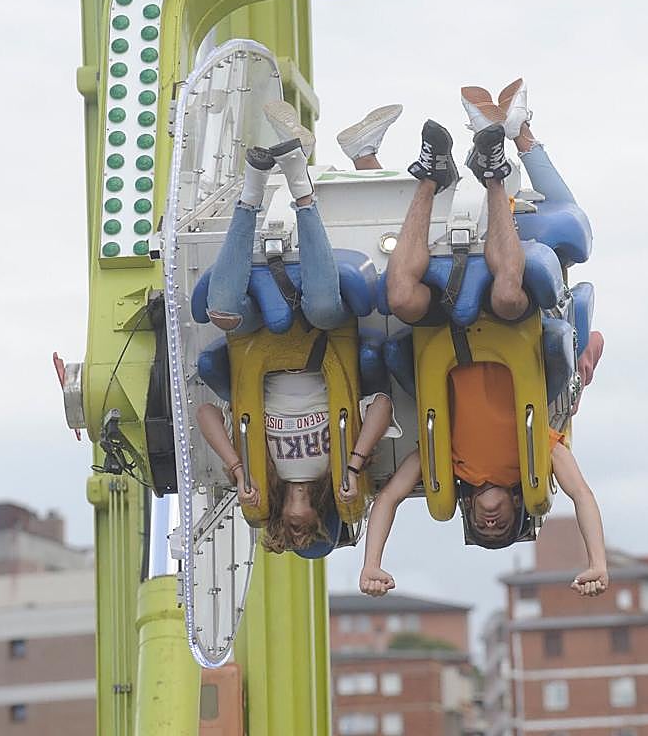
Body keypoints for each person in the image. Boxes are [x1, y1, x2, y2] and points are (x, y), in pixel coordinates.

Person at [363, 79, 608, 595]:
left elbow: (384, 500)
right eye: (503, 529)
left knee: (401, 296)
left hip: (443, 335)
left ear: (469, 512)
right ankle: (495, 174)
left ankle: (430, 176)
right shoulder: (540, 450)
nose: (491, 525)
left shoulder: (444, 463)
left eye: (482, 529)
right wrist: (596, 562)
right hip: (505, 324)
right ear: (520, 506)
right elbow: (583, 496)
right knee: (506, 293)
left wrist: (373, 563)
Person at [195, 102, 403, 553]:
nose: (297, 526)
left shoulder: (257, 466)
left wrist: (235, 468)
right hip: (321, 342)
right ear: (324, 515)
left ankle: (253, 190)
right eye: (308, 530)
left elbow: (205, 413)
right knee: (327, 303)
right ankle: (300, 186)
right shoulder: (338, 465)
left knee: (222, 311)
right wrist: (352, 466)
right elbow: (384, 404)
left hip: (259, 346)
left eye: (288, 533)